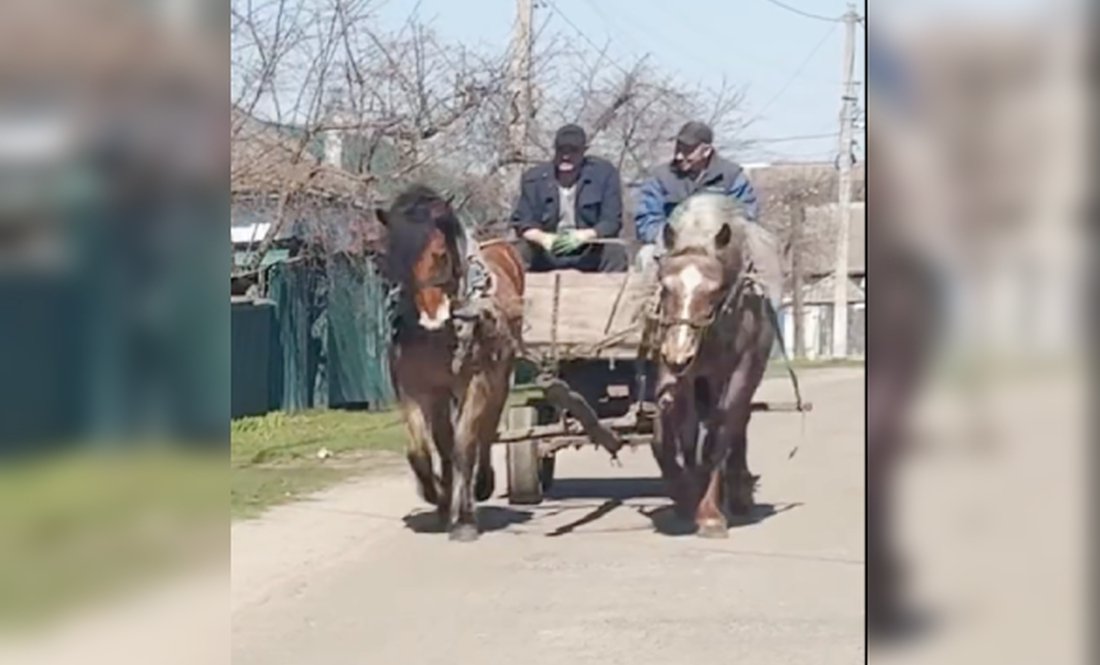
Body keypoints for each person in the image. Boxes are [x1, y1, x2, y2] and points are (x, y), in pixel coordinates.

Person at [633, 121, 760, 268]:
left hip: (719, 245)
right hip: (673, 247)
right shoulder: (660, 177)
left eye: (688, 150)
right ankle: (648, 291)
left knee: (758, 249)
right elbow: (646, 219)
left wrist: (719, 237)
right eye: (678, 148)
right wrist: (671, 236)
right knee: (646, 255)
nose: (679, 156)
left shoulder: (731, 176)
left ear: (706, 151)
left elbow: (746, 214)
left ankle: (767, 290)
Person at [510, 124, 629, 273]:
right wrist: (544, 238)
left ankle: (611, 294)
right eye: (561, 150)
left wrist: (584, 236)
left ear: (584, 151)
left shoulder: (605, 175)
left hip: (589, 248)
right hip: (546, 252)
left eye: (573, 150)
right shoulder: (533, 179)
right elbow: (522, 222)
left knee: (614, 250)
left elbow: (612, 222)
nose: (566, 156)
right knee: (518, 251)